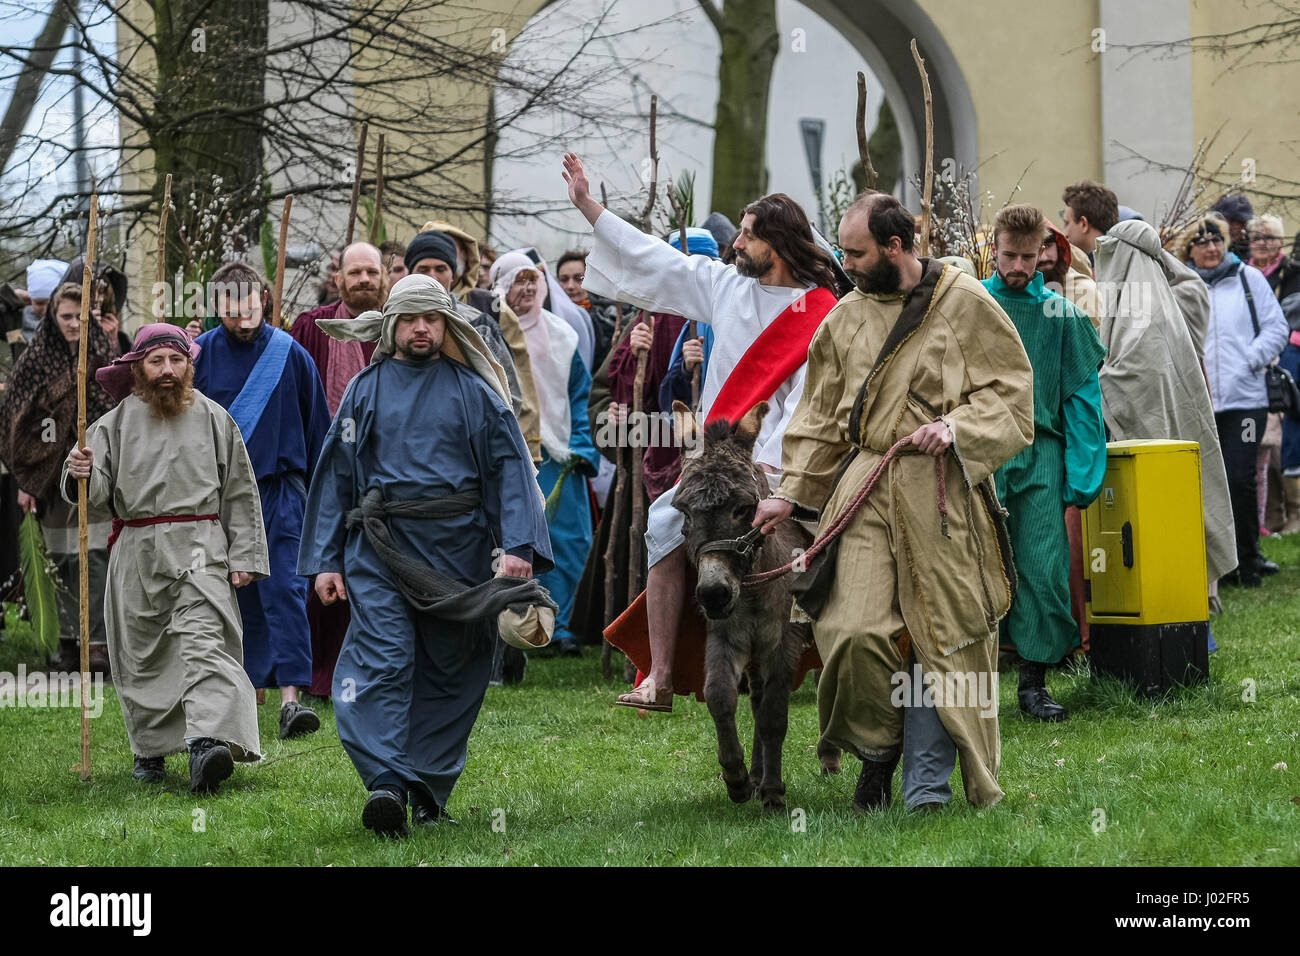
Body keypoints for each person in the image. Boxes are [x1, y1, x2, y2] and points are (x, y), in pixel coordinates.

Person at [753, 191, 1033, 811]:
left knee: (943, 634)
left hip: (942, 496)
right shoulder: (843, 319)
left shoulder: (966, 303)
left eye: (855, 253)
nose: (844, 264)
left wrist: (957, 427)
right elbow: (821, 417)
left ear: (896, 246)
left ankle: (928, 786)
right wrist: (790, 493)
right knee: (850, 631)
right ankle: (878, 751)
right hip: (866, 484)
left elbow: (1012, 398)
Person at [562, 151, 844, 711]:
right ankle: (660, 675)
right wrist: (589, 207)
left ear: (779, 247)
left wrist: (771, 467)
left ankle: (822, 665)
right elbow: (653, 260)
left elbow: (809, 403)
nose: (735, 245)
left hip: (785, 464)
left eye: (746, 237)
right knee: (664, 523)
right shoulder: (724, 286)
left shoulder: (823, 313)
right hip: (717, 460)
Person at [297, 273, 553, 836]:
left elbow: (510, 469)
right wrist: (326, 559)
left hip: (459, 553)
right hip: (381, 549)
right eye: (410, 319)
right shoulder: (365, 390)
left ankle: (426, 786)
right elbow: (337, 472)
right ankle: (386, 781)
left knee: (454, 669)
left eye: (431, 319)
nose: (421, 328)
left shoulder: (476, 393)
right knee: (383, 657)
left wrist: (517, 546)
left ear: (448, 325)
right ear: (391, 326)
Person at [62, 323, 268, 792]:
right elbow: (92, 495)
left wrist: (244, 554)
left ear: (189, 366)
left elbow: (239, 489)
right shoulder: (112, 424)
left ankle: (206, 744)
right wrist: (78, 469)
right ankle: (150, 750)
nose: (168, 370)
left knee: (204, 642)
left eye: (177, 361)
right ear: (138, 369)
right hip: (137, 548)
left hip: (201, 546)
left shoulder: (216, 419)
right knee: (142, 654)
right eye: (157, 362)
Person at [194, 261, 330, 738]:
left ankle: (292, 699)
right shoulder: (199, 356)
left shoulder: (290, 355)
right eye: (230, 308)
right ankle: (245, 696)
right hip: (220, 497)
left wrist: (323, 501)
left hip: (281, 492)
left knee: (286, 591)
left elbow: (320, 433)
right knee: (234, 595)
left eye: (249, 304)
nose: (242, 316)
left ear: (264, 300)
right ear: (216, 307)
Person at [982, 205, 1107, 721]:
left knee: (1043, 567)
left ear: (1045, 255)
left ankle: (1033, 685)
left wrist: (1083, 472)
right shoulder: (971, 305)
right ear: (994, 250)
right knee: (974, 570)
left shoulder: (1064, 316)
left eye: (1028, 257)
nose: (1017, 265)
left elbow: (1083, 398)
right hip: (978, 452)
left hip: (1041, 453)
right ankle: (971, 687)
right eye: (1009, 255)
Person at [1093, 218, 1238, 587]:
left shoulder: (1145, 312)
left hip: (1152, 447)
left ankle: (1181, 618)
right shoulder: (1153, 297)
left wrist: (1088, 382)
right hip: (1165, 441)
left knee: (1162, 526)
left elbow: (1133, 379)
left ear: (1125, 259)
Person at [0, 282, 116, 674]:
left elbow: (117, 413)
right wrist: (28, 479)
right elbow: (15, 425)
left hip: (95, 477)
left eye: (79, 317)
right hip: (48, 484)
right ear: (52, 316)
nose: (72, 324)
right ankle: (64, 643)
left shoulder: (103, 355)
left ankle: (97, 643)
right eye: (65, 316)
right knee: (60, 560)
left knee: (97, 558)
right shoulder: (33, 361)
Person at [289, 242, 387, 697]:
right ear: (339, 277)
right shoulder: (312, 327)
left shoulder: (397, 326)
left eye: (372, 272)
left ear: (384, 276)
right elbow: (294, 395)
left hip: (386, 472)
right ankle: (318, 675)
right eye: (356, 273)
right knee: (322, 569)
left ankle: (369, 671)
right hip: (323, 466)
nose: (364, 280)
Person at [490, 252, 601, 655]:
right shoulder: (488, 335)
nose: (526, 289)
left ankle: (563, 627)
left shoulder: (562, 335)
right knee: (514, 543)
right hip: (506, 454)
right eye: (517, 281)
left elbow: (580, 398)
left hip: (558, 453)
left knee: (569, 541)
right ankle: (519, 624)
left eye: (532, 280)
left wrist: (582, 448)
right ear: (500, 285)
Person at [1179, 213, 1289, 586]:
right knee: (1208, 481)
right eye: (1202, 242)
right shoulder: (1182, 286)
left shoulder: (1248, 279)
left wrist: (1250, 358)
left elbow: (1277, 327)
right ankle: (1217, 563)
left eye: (1217, 240)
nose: (1211, 248)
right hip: (1201, 405)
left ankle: (1248, 557)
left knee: (1240, 476)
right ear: (1188, 249)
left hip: (1246, 403)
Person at [404, 229, 529, 421]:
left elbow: (511, 395)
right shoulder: (394, 324)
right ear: (410, 274)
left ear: (453, 275)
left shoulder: (479, 326)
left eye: (440, 269)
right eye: (423, 269)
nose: (432, 277)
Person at [1250, 215, 1300, 533]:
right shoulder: (1244, 274)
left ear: (1280, 241)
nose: (1263, 243)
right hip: (1254, 359)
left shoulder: (1293, 272)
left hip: (1289, 355)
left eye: (1270, 237)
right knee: (1260, 439)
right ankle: (1269, 516)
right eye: (1257, 237)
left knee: (1284, 431)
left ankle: (1294, 511)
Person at [1061, 181, 1119, 264]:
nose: (1063, 234)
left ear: (1084, 224)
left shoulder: (1092, 272)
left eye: (1067, 223)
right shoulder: (1124, 260)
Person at [1212, 194, 1255, 262]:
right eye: (1232, 220)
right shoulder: (1205, 246)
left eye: (1242, 222)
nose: (1236, 227)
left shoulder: (1253, 251)